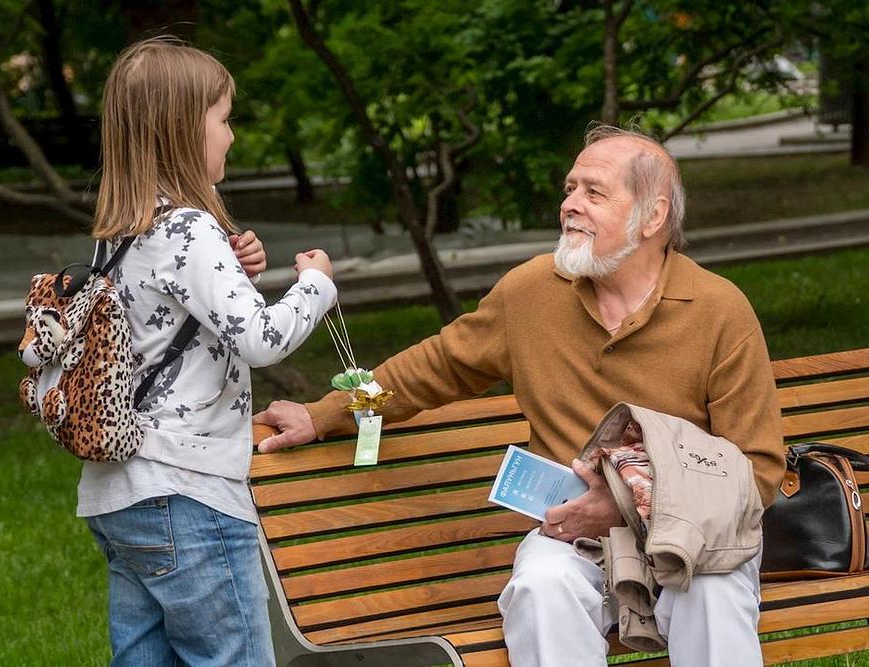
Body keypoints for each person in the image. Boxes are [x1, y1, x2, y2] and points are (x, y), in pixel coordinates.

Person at [253, 125, 785, 666]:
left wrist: (634, 506)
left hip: (694, 537)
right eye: (569, 189)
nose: (570, 205)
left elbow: (758, 469)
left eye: (593, 193)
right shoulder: (531, 292)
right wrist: (325, 415)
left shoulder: (719, 310)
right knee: (540, 589)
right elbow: (433, 368)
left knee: (715, 598)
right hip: (573, 537)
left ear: (652, 217)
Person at [79, 37, 337, 666]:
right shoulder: (190, 230)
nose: (231, 135)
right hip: (191, 494)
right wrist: (316, 284)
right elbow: (261, 339)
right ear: (181, 130)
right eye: (223, 120)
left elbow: (172, 329)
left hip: (122, 495)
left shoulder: (121, 234)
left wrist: (237, 268)